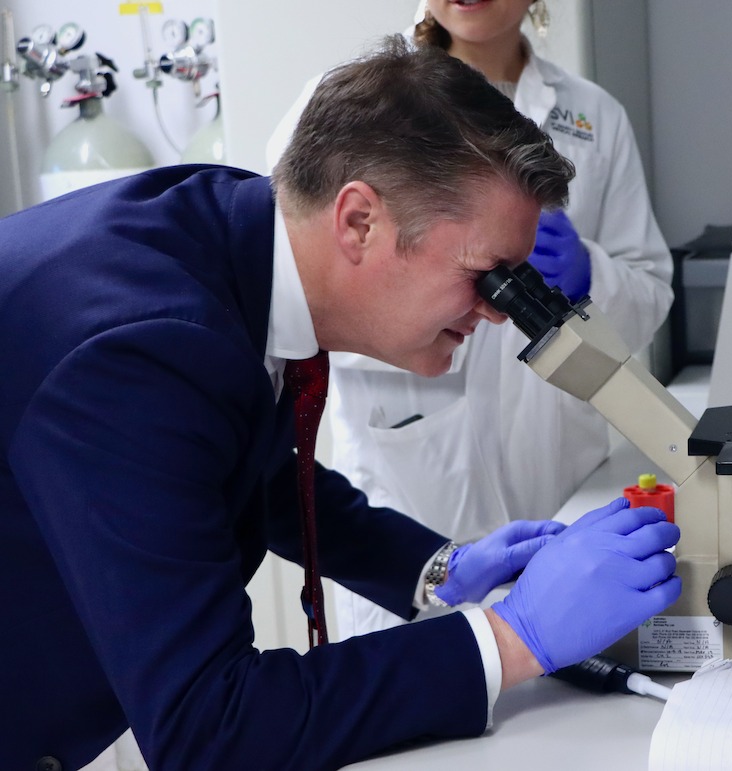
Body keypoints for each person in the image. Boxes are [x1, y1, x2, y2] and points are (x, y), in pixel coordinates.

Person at [0, 38, 680, 771]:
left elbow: (234, 466)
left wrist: (437, 568)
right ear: (359, 221)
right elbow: (213, 726)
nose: (494, 314)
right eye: (488, 276)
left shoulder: (236, 236)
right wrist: (512, 637)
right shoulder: (140, 353)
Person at [318, 0, 675, 638]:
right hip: (412, 476)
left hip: (555, 455)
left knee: (563, 681)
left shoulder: (593, 115)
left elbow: (650, 290)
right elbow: (314, 284)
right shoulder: (355, 103)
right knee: (419, 679)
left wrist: (590, 272)